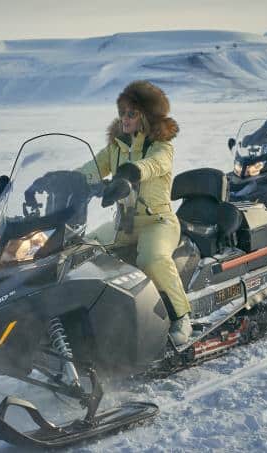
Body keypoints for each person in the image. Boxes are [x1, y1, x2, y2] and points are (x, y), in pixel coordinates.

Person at [83, 80, 193, 345]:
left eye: (131, 113)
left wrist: (131, 172)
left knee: (152, 259)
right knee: (84, 249)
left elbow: (155, 165)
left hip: (158, 222)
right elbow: (90, 169)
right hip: (125, 225)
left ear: (146, 115)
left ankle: (182, 316)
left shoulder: (161, 146)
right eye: (122, 112)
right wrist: (57, 181)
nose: (125, 118)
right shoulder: (116, 147)